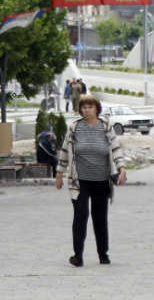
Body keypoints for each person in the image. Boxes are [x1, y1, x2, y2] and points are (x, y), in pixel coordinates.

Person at [55, 94, 127, 267]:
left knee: (100, 218)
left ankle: (103, 253)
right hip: (79, 181)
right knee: (80, 215)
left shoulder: (105, 126)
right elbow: (65, 150)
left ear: (97, 109)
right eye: (84, 107)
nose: (87, 110)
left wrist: (122, 167)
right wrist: (59, 173)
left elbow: (116, 148)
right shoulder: (74, 127)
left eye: (90, 107)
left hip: (102, 180)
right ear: (80, 110)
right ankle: (77, 255)